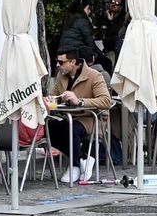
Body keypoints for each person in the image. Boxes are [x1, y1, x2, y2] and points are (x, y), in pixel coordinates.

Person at [46, 50, 113, 184]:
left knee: (71, 129)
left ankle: (75, 166)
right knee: (47, 127)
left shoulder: (94, 76)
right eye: (57, 62)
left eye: (61, 62)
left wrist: (80, 101)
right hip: (67, 116)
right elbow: (53, 95)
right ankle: (82, 157)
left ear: (73, 62)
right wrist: (50, 100)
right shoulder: (62, 76)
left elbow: (106, 101)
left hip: (90, 118)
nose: (58, 65)